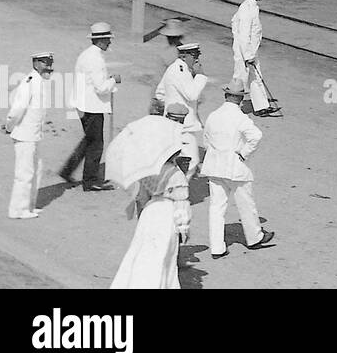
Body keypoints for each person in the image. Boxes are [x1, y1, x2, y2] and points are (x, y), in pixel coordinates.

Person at [201, 81, 274, 258]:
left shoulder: (213, 115)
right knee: (246, 203)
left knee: (216, 207)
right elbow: (256, 136)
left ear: (226, 96)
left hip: (214, 166)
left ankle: (217, 248)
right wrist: (244, 153)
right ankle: (254, 237)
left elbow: (206, 140)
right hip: (235, 167)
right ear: (241, 99)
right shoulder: (240, 117)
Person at [110, 153, 191, 288]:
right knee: (163, 256)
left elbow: (141, 197)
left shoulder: (148, 172)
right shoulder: (177, 175)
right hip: (166, 214)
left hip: (150, 213)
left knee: (142, 252)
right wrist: (184, 228)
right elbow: (181, 205)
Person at [61, 22, 121, 190]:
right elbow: (101, 87)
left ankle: (68, 170)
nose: (110, 42)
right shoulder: (95, 59)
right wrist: (113, 80)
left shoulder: (87, 55)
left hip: (83, 103)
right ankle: (90, 181)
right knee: (96, 143)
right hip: (92, 106)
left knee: (89, 140)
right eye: (108, 39)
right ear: (101, 40)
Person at [4, 51, 54, 219]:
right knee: (24, 173)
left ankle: (29, 206)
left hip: (34, 134)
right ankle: (17, 210)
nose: (49, 66)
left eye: (50, 62)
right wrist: (9, 126)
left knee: (36, 171)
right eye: (45, 62)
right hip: (25, 134)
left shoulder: (39, 81)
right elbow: (18, 108)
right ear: (36, 63)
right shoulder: (30, 81)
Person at [154, 41, 209, 176]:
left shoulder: (175, 69)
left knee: (178, 160)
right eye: (194, 55)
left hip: (175, 121)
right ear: (184, 56)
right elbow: (192, 95)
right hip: (183, 125)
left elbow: (160, 93)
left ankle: (174, 189)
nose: (197, 59)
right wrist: (201, 75)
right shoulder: (180, 70)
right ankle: (178, 192)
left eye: (197, 55)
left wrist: (170, 105)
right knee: (191, 162)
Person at [232, 0, 280, 116]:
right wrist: (247, 55)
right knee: (240, 78)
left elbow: (233, 22)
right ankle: (232, 108)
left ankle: (261, 107)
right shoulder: (246, 8)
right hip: (244, 51)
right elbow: (243, 34)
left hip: (251, 50)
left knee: (256, 78)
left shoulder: (252, 6)